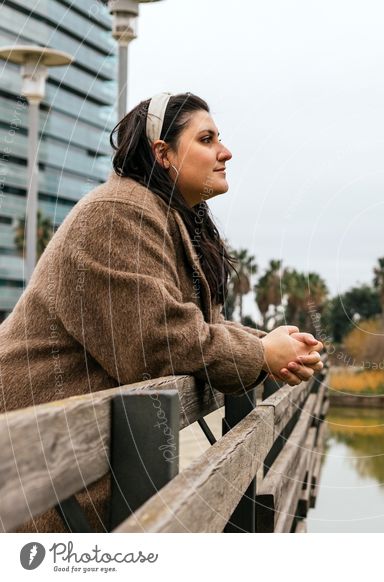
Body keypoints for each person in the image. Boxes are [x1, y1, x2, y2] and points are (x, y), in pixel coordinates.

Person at [0, 92, 323, 532]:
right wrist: (262, 355)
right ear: (163, 153)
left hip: (64, 469)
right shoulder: (117, 214)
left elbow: (195, 324)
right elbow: (158, 343)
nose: (225, 152)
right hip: (31, 472)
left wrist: (270, 346)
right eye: (207, 139)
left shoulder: (159, 215)